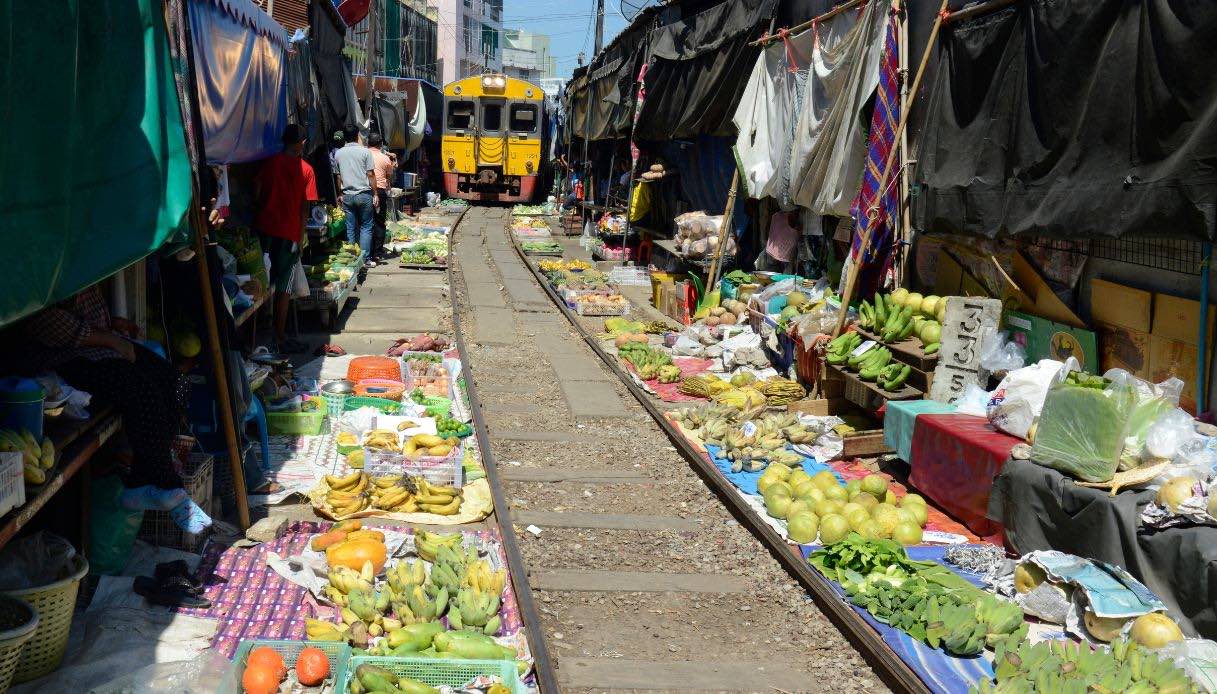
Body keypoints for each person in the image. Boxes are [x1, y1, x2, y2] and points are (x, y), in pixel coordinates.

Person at [22, 286, 212, 534]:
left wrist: (111, 325)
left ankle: (142, 478)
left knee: (178, 385)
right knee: (144, 393)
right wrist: (110, 339)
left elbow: (85, 310)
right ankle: (167, 485)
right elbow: (47, 324)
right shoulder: (40, 272)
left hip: (103, 346)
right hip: (66, 356)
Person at [255, 124, 319, 354]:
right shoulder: (306, 170)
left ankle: (259, 331)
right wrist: (301, 237)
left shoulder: (269, 164)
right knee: (284, 287)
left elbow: (257, 190)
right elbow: (305, 208)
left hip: (265, 230)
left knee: (261, 282)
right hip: (289, 234)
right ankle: (279, 335)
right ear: (301, 142)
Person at [333, 126, 379, 266]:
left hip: (347, 195)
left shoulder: (339, 153)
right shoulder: (365, 152)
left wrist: (340, 194)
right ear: (357, 135)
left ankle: (351, 259)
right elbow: (370, 174)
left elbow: (338, 176)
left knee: (350, 227)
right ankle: (365, 259)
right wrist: (375, 193)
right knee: (366, 227)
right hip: (364, 194)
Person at [367, 133, 396, 259]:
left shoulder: (363, 154)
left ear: (368, 143)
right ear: (380, 144)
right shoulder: (385, 158)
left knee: (366, 222)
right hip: (380, 191)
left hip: (365, 190)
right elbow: (389, 176)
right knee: (379, 221)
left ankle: (366, 251)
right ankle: (377, 252)